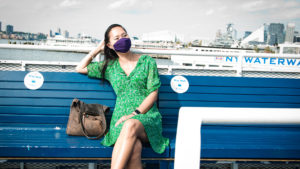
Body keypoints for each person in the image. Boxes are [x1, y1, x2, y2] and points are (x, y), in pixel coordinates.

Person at [76, 24, 169, 169]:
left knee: (130, 124)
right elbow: (80, 68)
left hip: (147, 117)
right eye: (117, 38)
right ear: (110, 45)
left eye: (124, 35)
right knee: (134, 149)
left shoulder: (147, 62)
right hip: (120, 119)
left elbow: (153, 93)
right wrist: (97, 50)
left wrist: (134, 114)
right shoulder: (110, 67)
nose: (122, 39)